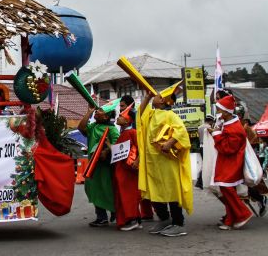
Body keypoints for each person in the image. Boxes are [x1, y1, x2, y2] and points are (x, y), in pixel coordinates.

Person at [138, 90, 192, 237]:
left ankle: (178, 223)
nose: (154, 96)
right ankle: (164, 219)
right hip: (153, 161)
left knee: (171, 190)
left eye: (156, 95)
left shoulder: (170, 115)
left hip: (167, 161)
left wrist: (169, 142)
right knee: (154, 191)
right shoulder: (152, 114)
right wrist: (147, 97)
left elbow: (181, 131)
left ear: (162, 100)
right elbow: (139, 115)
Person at [211, 95, 253, 230]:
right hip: (228, 163)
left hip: (231, 164)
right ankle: (230, 220)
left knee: (227, 189)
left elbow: (228, 149)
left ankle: (243, 214)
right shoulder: (230, 124)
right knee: (228, 190)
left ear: (225, 112)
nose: (217, 112)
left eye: (218, 110)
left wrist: (216, 134)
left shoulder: (234, 128)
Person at [78, 100, 120, 226]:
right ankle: (101, 217)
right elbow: (81, 127)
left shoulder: (112, 130)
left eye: (100, 111)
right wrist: (88, 112)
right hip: (93, 166)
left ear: (106, 116)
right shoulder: (94, 126)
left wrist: (106, 151)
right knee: (95, 190)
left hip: (105, 167)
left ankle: (114, 213)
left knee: (107, 190)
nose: (97, 111)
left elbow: (117, 145)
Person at [112, 96, 142, 231]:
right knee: (125, 194)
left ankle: (132, 219)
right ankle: (135, 219)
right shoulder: (124, 132)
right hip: (121, 169)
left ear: (127, 119)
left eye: (121, 115)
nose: (118, 116)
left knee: (128, 195)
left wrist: (137, 161)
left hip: (128, 170)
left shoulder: (132, 132)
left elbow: (141, 148)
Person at [196, 115, 215, 189]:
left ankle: (200, 181)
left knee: (204, 163)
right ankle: (200, 182)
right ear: (210, 121)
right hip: (207, 147)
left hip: (201, 146)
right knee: (206, 163)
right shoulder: (209, 128)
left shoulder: (199, 127)